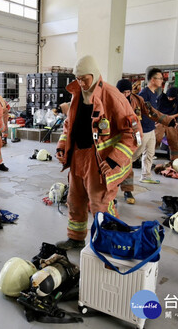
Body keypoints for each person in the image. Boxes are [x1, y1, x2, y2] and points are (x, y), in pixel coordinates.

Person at [55, 55, 140, 250]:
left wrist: (114, 160)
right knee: (75, 201)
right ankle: (76, 238)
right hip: (78, 156)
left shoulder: (112, 96)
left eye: (85, 78)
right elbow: (68, 125)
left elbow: (134, 133)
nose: (81, 83)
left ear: (94, 75)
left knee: (100, 205)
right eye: (78, 79)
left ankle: (111, 244)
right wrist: (62, 146)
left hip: (99, 161)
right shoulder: (77, 94)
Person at [116, 79, 175, 204]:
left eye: (128, 92)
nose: (125, 95)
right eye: (123, 92)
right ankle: (110, 191)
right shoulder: (110, 101)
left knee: (127, 164)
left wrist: (167, 120)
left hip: (131, 137)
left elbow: (151, 112)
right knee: (113, 165)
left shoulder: (137, 100)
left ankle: (127, 191)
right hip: (115, 139)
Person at [137, 68, 164, 184]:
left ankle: (146, 175)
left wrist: (155, 121)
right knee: (135, 154)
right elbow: (138, 112)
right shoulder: (144, 94)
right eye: (160, 78)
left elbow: (152, 112)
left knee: (150, 153)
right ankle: (120, 173)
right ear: (153, 80)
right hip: (143, 130)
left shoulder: (154, 94)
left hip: (151, 129)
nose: (162, 81)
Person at [155, 87, 178, 160]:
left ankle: (176, 161)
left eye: (172, 98)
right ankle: (148, 159)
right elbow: (156, 110)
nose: (170, 99)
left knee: (174, 141)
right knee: (155, 139)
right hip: (160, 119)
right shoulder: (161, 97)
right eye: (169, 97)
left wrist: (173, 116)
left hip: (171, 121)